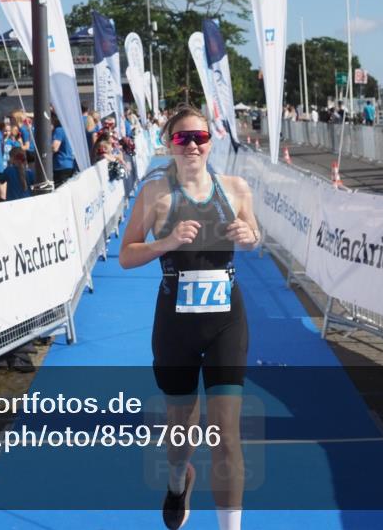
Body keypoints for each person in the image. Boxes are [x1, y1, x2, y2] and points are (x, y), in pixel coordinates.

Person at [119, 105, 260, 530]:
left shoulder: (235, 188)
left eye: (200, 137)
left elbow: (254, 236)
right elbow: (126, 255)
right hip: (176, 327)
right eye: (183, 138)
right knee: (181, 436)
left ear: (211, 142)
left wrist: (249, 236)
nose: (193, 145)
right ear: (170, 144)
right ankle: (179, 481)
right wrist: (164, 243)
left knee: (226, 434)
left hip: (226, 322)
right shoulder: (155, 194)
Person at [51, 110, 77, 187]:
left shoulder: (59, 130)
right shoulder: (70, 130)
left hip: (60, 165)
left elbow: (54, 148)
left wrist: (44, 149)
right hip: (70, 164)